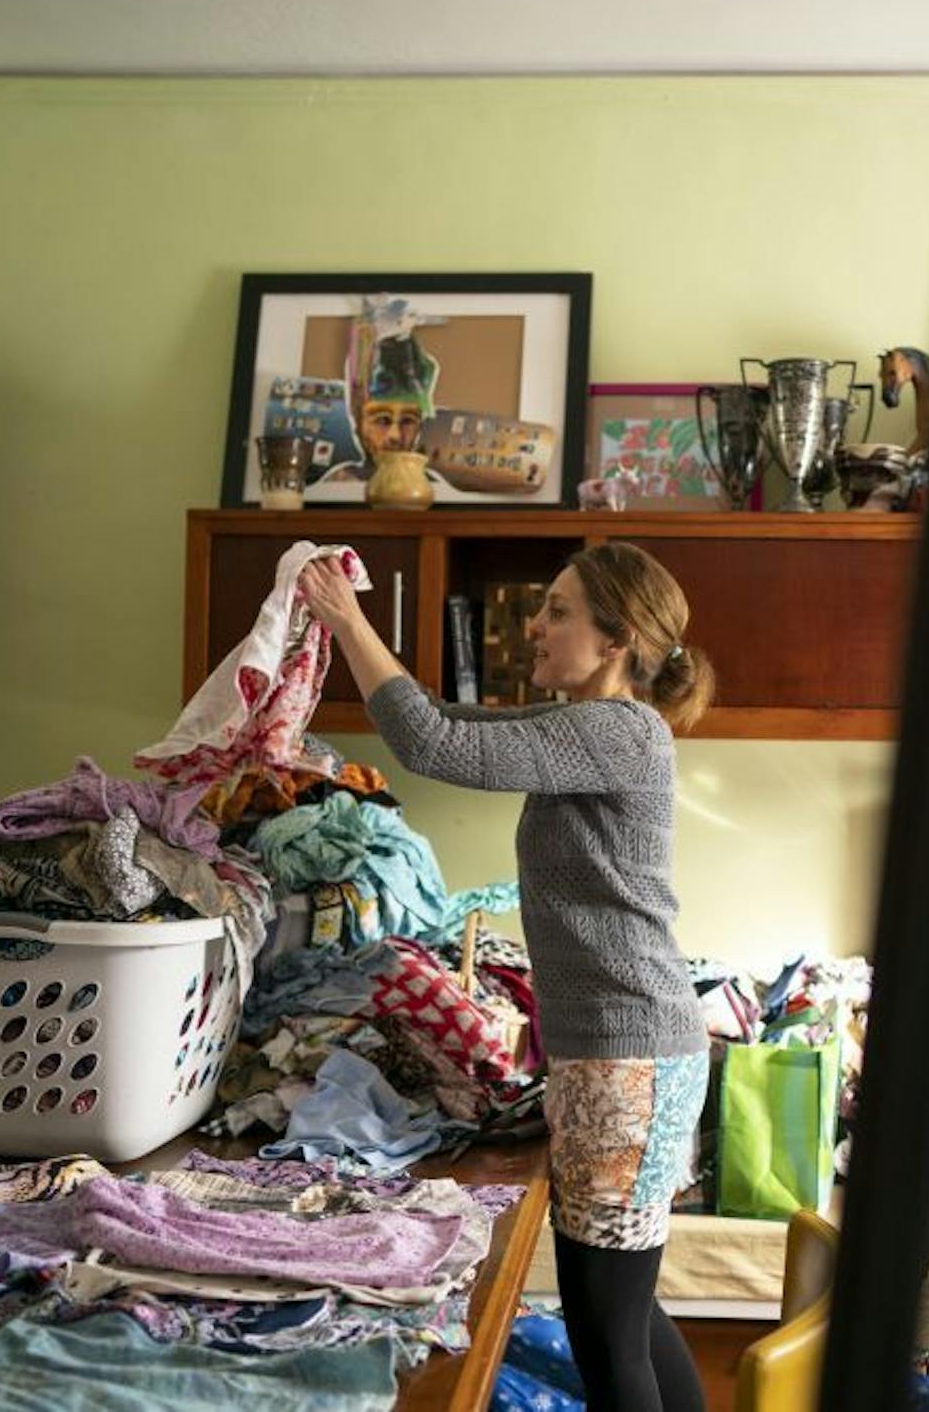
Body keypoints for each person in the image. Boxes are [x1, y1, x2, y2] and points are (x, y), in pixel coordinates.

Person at [296, 543, 713, 1412]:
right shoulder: (586, 730)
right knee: (624, 1313)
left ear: (615, 640)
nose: (534, 626)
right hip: (627, 1053)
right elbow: (440, 721)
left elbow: (432, 743)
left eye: (558, 610)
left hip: (628, 1060)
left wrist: (346, 618)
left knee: (606, 1330)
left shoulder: (620, 730)